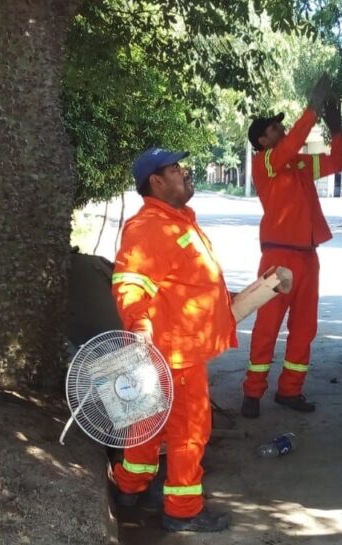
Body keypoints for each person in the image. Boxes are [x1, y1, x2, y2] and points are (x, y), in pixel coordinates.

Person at [110, 147, 236, 533]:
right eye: (176, 169)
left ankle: (132, 488)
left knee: (149, 423)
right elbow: (129, 284)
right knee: (190, 430)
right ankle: (183, 510)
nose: (184, 173)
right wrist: (140, 327)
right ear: (157, 181)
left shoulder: (174, 220)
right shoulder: (150, 226)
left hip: (168, 350)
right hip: (173, 352)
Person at [241, 96, 342, 418]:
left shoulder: (297, 163)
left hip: (308, 257)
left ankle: (290, 391)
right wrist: (313, 109)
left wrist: (337, 127)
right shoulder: (266, 162)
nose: (282, 130)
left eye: (281, 126)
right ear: (262, 140)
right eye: (275, 128)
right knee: (267, 326)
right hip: (279, 259)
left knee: (304, 328)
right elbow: (291, 145)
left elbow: (338, 162)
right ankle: (252, 392)